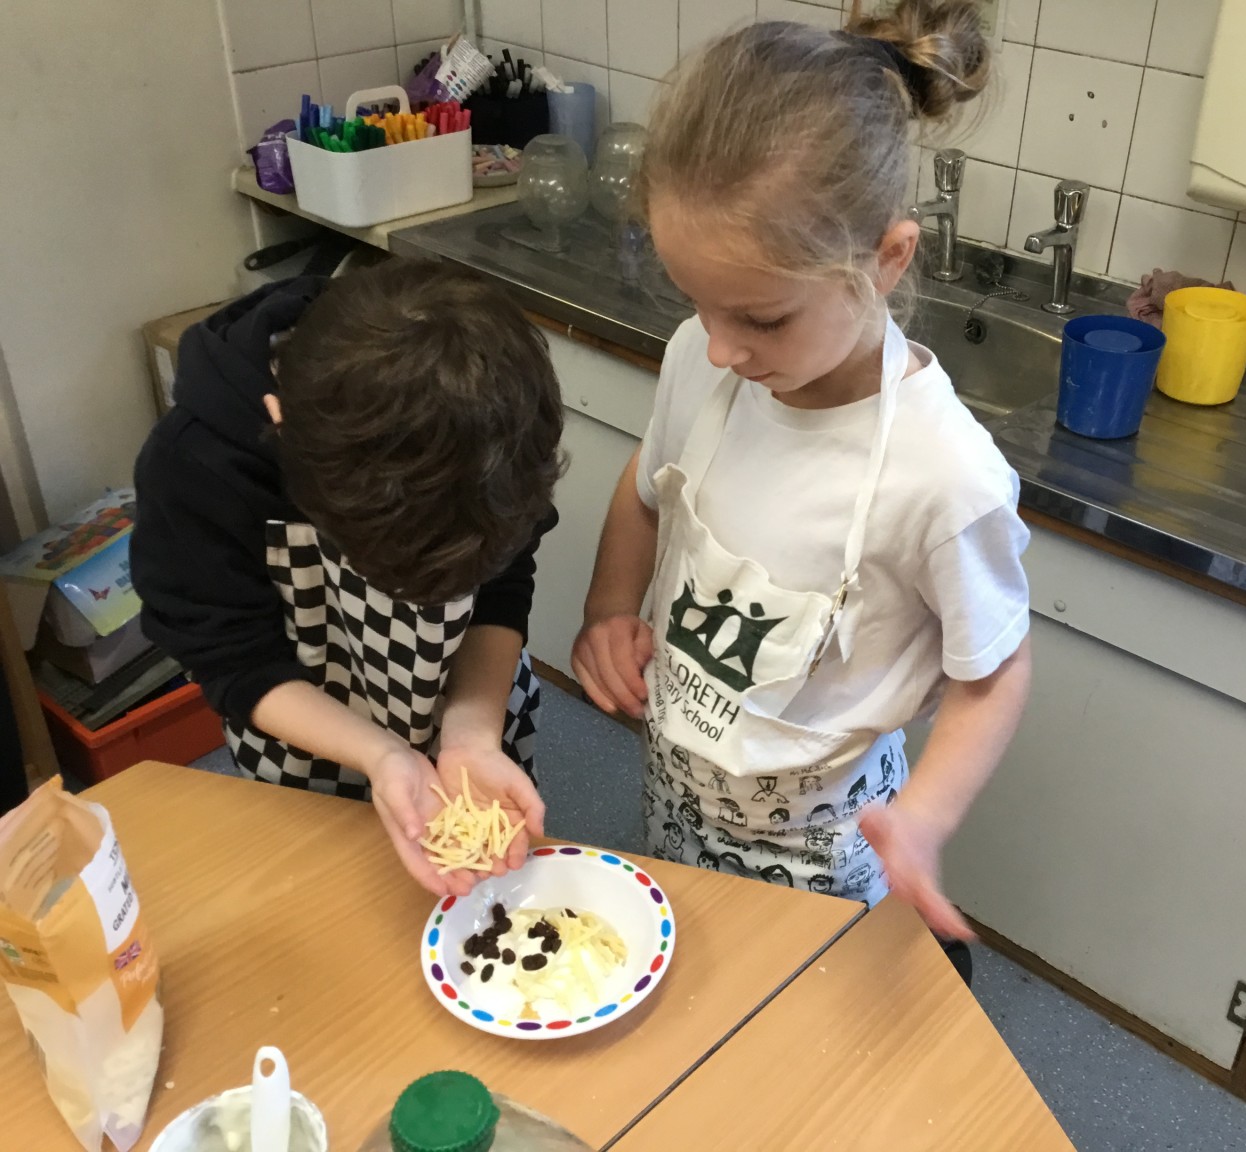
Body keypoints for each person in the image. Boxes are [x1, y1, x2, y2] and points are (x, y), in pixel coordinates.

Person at [572, 0, 1033, 963]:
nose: (724, 346)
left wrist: (925, 819)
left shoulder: (943, 476)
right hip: (677, 782)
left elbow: (994, 676)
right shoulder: (702, 358)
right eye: (697, 302)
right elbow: (645, 486)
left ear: (887, 259)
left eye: (764, 319)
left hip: (822, 848)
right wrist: (610, 603)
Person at [131, 260, 564, 896]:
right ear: (280, 425)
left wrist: (471, 732)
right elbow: (232, 658)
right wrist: (382, 754)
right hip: (301, 748)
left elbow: (504, 587)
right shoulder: (196, 467)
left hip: (466, 710)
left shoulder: (496, 433)